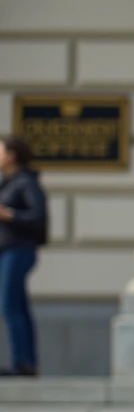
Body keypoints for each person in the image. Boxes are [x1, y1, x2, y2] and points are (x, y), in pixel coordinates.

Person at [0, 135, 48, 378]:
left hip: (19, 250)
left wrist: (9, 215)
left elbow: (37, 216)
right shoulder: (7, 183)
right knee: (18, 306)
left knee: (9, 305)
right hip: (7, 251)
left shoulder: (26, 182)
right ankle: (26, 363)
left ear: (11, 155)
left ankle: (21, 362)